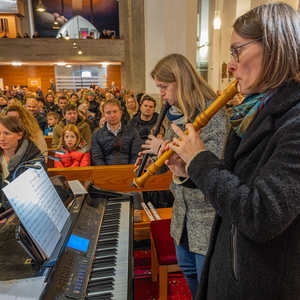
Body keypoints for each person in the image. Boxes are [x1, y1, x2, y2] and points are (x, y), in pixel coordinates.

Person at [157, 3, 300, 299]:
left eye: (237, 51)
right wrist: (189, 170)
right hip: (232, 263)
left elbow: (260, 214)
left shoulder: (294, 120)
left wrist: (200, 160)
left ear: (274, 47)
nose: (231, 65)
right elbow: (236, 182)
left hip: (260, 282)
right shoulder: (258, 110)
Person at [135, 53, 228, 300]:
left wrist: (164, 149)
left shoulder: (213, 113)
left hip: (206, 218)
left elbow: (214, 165)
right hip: (182, 217)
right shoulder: (174, 113)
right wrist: (155, 157)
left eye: (164, 87)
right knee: (189, 275)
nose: (161, 95)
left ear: (181, 80)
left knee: (206, 287)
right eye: (159, 88)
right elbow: (171, 163)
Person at [0, 116, 47, 212]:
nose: (1, 138)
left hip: (25, 211)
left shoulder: (34, 157)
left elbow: (35, 194)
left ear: (19, 135)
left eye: (7, 133)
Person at [91, 99, 141, 166]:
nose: (112, 115)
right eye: (108, 113)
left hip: (128, 171)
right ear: (104, 115)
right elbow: (97, 158)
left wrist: (128, 171)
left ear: (120, 113)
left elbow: (135, 156)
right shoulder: (96, 135)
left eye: (115, 111)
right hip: (105, 172)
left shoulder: (132, 132)